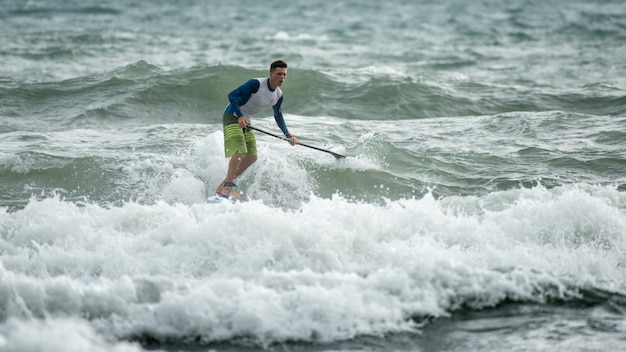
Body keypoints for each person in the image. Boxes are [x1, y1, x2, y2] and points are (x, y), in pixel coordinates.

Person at [215, 60, 299, 199]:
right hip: (232, 115)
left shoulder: (278, 95)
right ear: (271, 73)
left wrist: (288, 135)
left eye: (284, 75)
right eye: (279, 74)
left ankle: (222, 186)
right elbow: (232, 95)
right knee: (241, 151)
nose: (282, 78)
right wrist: (240, 115)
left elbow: (278, 115)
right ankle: (227, 189)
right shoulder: (257, 84)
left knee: (252, 156)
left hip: (246, 120)